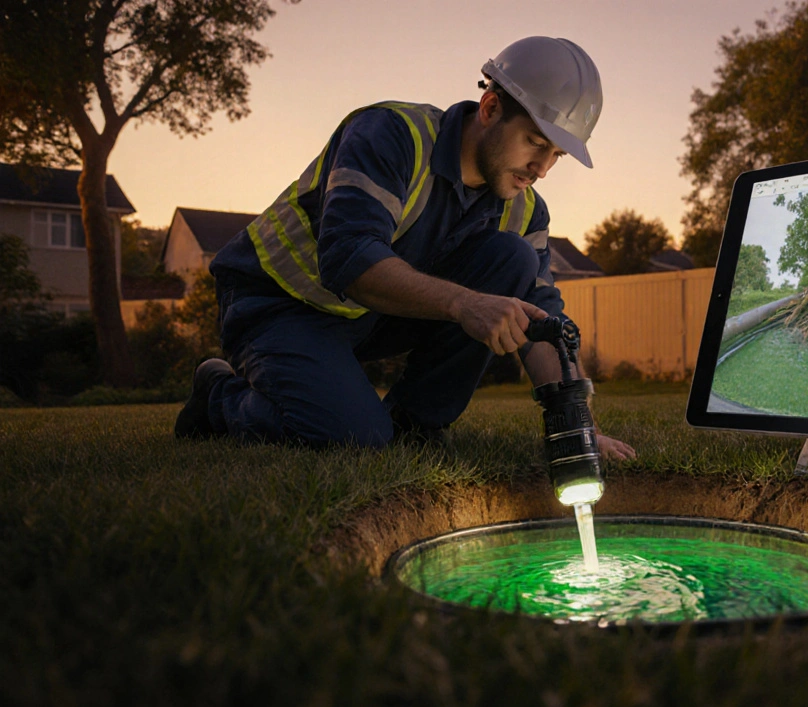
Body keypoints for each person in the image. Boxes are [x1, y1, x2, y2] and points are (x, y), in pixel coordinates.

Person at [174, 36, 636, 461]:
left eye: (556, 154)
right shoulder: (393, 135)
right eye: (535, 142)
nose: (542, 168)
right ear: (491, 108)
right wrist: (465, 304)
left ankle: (413, 424)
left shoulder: (525, 210)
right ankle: (217, 393)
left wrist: (581, 428)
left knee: (512, 258)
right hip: (278, 303)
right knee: (352, 437)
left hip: (370, 316)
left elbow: (544, 322)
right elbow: (348, 257)